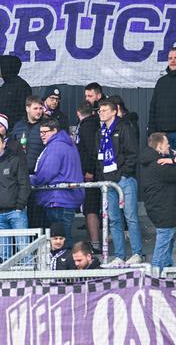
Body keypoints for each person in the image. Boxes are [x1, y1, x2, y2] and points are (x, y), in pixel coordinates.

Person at [96, 99, 143, 266]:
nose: (100, 112)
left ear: (114, 111)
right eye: (99, 110)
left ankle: (137, 253)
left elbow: (133, 154)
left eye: (104, 110)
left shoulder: (124, 127)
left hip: (124, 179)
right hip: (108, 182)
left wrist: (123, 173)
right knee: (114, 219)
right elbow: (98, 158)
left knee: (130, 216)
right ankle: (120, 256)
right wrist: (102, 178)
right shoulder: (100, 132)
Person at [140, 133, 176, 270]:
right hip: (164, 209)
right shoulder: (160, 165)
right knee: (163, 241)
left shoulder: (148, 162)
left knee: (168, 239)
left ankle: (166, 267)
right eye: (166, 143)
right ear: (159, 146)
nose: (169, 146)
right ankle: (156, 273)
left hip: (157, 208)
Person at [31, 118, 85, 247]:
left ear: (55, 131)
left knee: (61, 240)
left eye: (45, 132)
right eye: (40, 132)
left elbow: (46, 173)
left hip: (58, 200)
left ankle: (66, 265)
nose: (42, 135)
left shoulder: (55, 147)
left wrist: (31, 179)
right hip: (67, 198)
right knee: (64, 237)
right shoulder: (67, 144)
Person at [0, 132, 30, 261]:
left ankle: (28, 281)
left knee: (24, 251)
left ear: (4, 144)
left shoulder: (15, 160)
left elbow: (24, 183)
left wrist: (20, 206)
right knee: (4, 254)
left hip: (16, 212)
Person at [75, 103, 101, 252]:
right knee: (89, 208)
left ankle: (95, 243)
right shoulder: (91, 125)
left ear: (78, 113)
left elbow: (92, 150)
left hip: (90, 174)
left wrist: (90, 170)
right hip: (88, 173)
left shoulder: (87, 126)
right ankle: (94, 241)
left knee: (91, 208)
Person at [12, 96, 47, 171]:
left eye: (40, 108)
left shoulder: (46, 126)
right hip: (20, 172)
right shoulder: (18, 126)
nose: (38, 111)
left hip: (39, 173)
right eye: (35, 108)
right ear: (27, 109)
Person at [0, 54, 31, 127]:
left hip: (16, 129)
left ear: (6, 66)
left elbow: (24, 111)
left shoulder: (22, 86)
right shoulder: (4, 85)